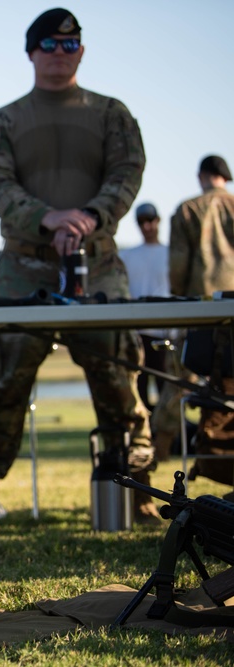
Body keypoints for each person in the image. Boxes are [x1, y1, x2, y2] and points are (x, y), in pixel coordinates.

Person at [0, 7, 158, 530]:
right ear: (31, 52)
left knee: (120, 375)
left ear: (82, 51)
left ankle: (136, 489)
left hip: (98, 264)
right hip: (23, 269)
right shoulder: (3, 121)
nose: (59, 53)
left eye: (70, 45)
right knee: (5, 377)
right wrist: (47, 218)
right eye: (49, 44)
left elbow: (127, 172)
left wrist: (90, 217)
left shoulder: (112, 114)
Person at [167, 154, 234, 496]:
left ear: (202, 176)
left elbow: (178, 266)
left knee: (174, 390)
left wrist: (180, 303)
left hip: (201, 318)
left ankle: (142, 475)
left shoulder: (187, 209)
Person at [118, 203, 172, 412]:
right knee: (137, 393)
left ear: (158, 221)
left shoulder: (170, 253)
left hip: (164, 331)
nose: (147, 226)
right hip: (137, 333)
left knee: (166, 391)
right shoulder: (127, 256)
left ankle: (167, 440)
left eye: (150, 220)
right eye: (141, 222)